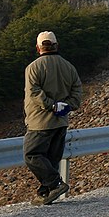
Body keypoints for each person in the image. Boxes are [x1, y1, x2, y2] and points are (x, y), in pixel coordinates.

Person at [23, 31, 83, 205]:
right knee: (51, 159)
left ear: (38, 47)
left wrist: (51, 105)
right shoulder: (68, 67)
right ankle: (45, 192)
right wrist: (67, 106)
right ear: (57, 45)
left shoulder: (33, 67)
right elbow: (77, 91)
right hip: (61, 121)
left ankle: (55, 184)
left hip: (40, 122)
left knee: (32, 155)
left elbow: (34, 93)